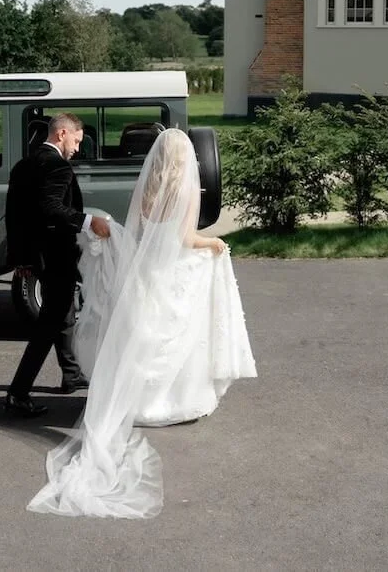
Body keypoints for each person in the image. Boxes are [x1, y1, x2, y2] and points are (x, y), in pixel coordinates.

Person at [27, 128, 256, 518]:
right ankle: (171, 401)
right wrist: (214, 243)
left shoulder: (149, 187)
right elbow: (184, 239)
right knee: (178, 333)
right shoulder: (184, 190)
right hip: (169, 272)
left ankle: (140, 403)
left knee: (147, 335)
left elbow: (145, 233)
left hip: (145, 273)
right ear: (184, 160)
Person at [3, 112, 112, 418]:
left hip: (38, 255)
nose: (77, 148)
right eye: (77, 140)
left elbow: (15, 214)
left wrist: (21, 258)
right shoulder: (57, 166)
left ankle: (72, 374)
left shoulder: (25, 164)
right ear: (62, 134)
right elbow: (51, 208)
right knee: (50, 322)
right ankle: (18, 393)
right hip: (56, 254)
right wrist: (90, 221)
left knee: (62, 313)